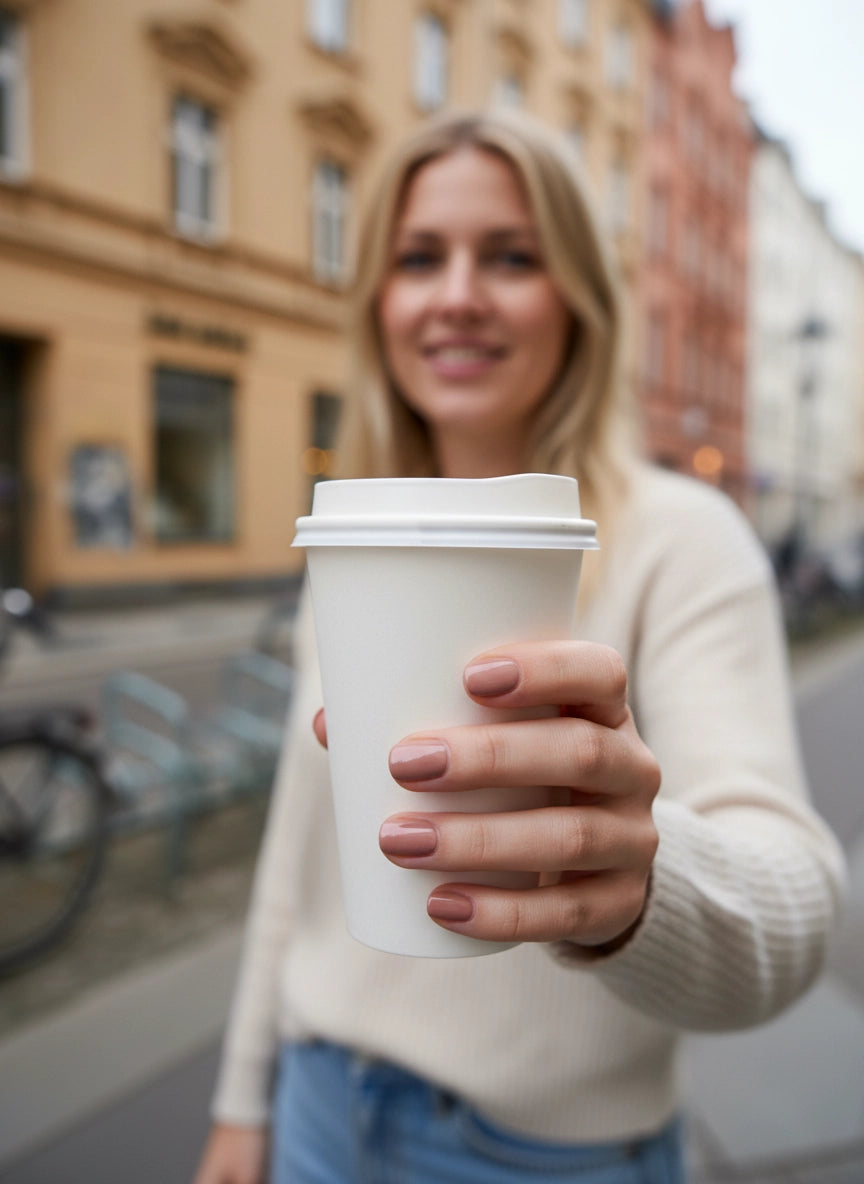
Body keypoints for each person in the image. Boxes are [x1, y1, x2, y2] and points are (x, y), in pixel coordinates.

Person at [194, 109, 845, 1184]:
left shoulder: (682, 539)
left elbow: (796, 903)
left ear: (578, 297)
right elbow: (297, 853)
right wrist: (239, 1098)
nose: (457, 294)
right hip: (316, 1105)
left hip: (545, 1154)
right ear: (378, 300)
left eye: (510, 256)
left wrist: (637, 877)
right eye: (418, 258)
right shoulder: (360, 540)